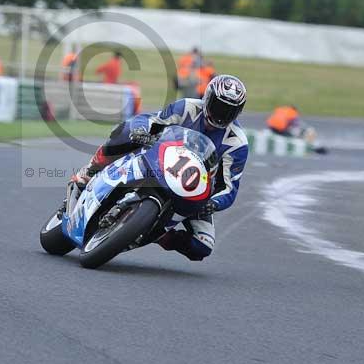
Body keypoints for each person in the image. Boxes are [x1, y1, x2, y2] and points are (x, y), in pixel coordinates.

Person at [66, 74, 249, 262]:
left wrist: (213, 203)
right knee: (126, 131)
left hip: (193, 189)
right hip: (159, 161)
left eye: (229, 111)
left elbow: (230, 188)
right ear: (207, 98)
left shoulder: (237, 143)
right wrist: (141, 131)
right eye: (218, 106)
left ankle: (158, 234)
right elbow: (152, 119)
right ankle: (90, 171)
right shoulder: (187, 107)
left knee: (203, 245)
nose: (221, 114)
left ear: (238, 112)